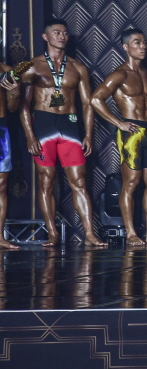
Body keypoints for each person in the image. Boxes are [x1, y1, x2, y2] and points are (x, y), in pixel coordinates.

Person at [16, 17, 105, 247]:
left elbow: (87, 104)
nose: (62, 36)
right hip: (43, 124)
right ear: (45, 36)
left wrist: (88, 134)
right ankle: (53, 233)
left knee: (80, 181)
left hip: (69, 124)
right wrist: (30, 135)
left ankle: (89, 234)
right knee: (46, 181)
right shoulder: (31, 65)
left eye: (65, 33)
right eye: (57, 32)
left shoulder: (78, 67)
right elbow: (23, 104)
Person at [89, 28, 147, 246]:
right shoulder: (120, 74)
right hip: (130, 134)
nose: (143, 46)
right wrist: (119, 123)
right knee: (131, 183)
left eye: (144, 43)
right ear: (126, 47)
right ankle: (131, 233)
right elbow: (96, 99)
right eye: (137, 42)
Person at [0, 50, 26, 250]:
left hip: (1, 129)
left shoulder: (7, 71)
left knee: (1, 185)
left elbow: (11, 107)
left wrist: (15, 92)